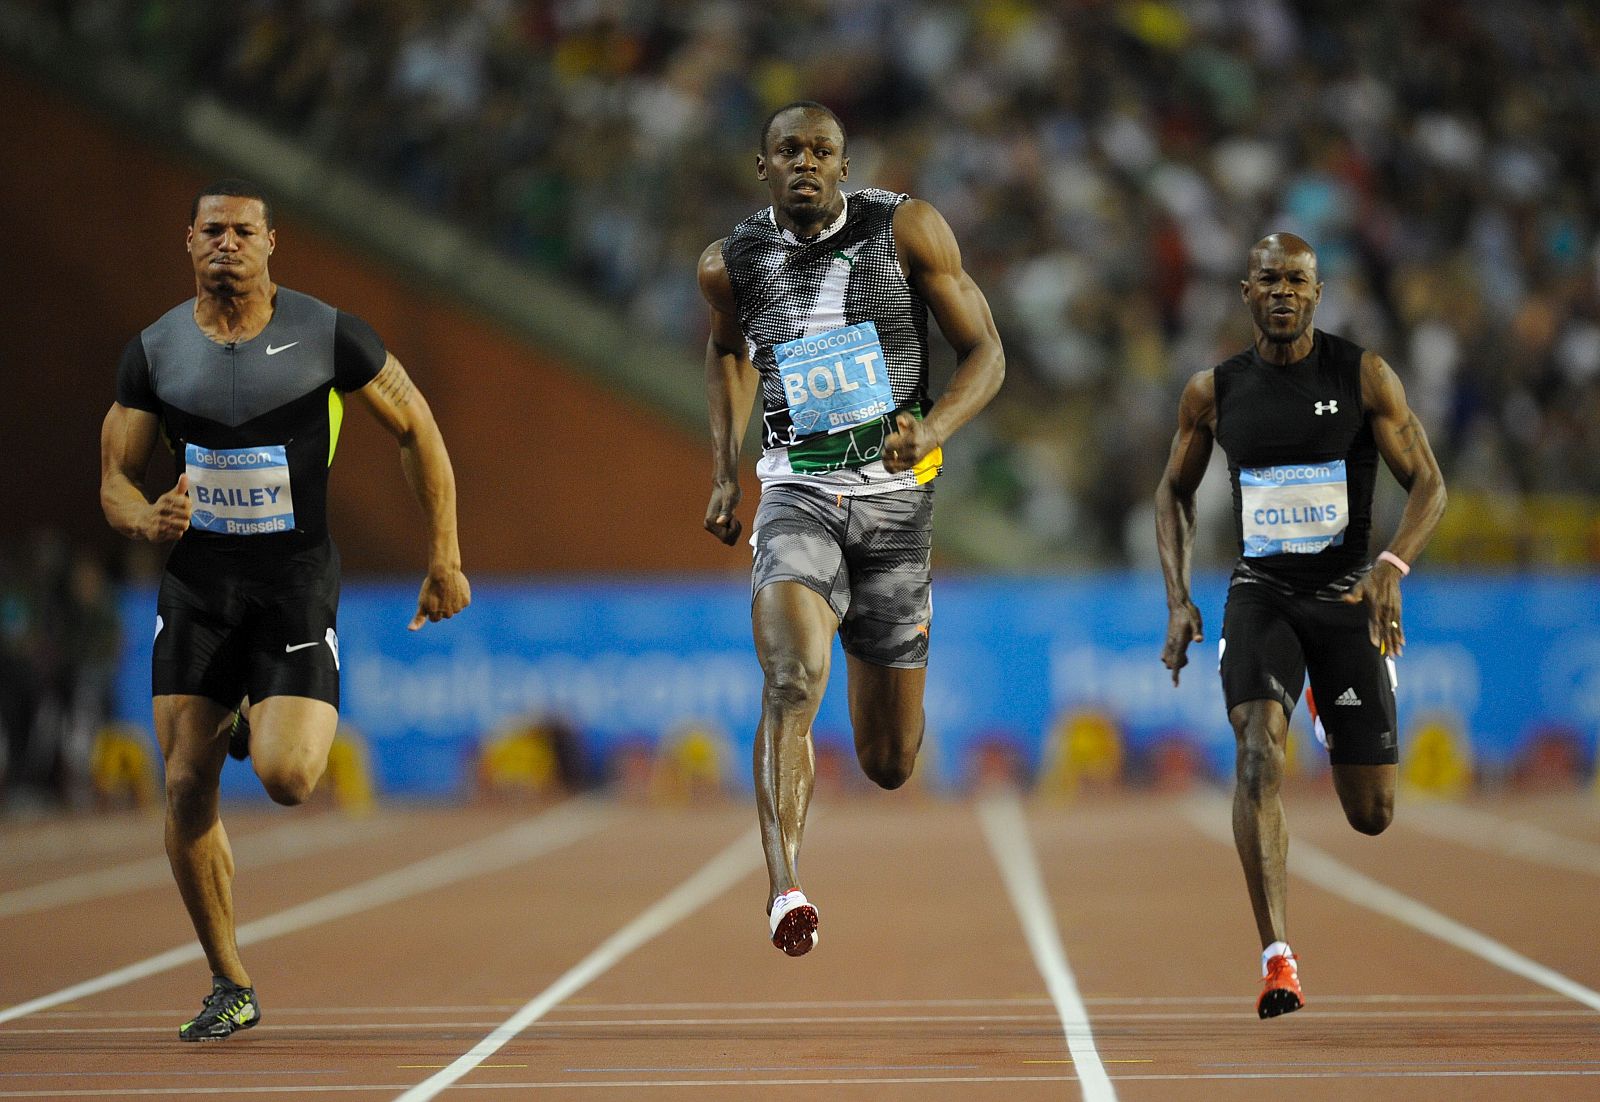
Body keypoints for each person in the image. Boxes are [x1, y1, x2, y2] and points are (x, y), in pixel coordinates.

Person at [99, 180, 470, 1040]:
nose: (227, 243)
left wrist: (444, 555)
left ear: (273, 244)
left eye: (243, 231)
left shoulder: (329, 334)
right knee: (186, 783)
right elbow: (114, 475)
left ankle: (247, 714)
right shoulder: (153, 351)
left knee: (290, 779)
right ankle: (230, 981)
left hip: (294, 583)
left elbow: (417, 426)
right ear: (187, 241)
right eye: (211, 231)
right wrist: (142, 514)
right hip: (199, 586)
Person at [697, 102, 1004, 956]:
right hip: (798, 491)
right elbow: (727, 353)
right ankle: (784, 887)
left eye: (821, 151)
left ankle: (892, 680)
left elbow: (988, 353)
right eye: (788, 150)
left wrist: (935, 428)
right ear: (763, 167)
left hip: (898, 506)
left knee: (890, 761)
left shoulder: (907, 229)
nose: (805, 162)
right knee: (793, 678)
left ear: (844, 164)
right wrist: (726, 468)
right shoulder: (733, 263)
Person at [1155, 233, 1447, 1017]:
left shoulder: (1363, 375)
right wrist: (1180, 597)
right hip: (1263, 595)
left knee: (1372, 815)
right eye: (1268, 281)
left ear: (1317, 294)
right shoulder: (1212, 392)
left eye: (1297, 281)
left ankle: (1328, 699)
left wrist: (1392, 567)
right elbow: (1172, 493)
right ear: (1245, 293)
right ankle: (1277, 955)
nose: (1282, 292)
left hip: (1348, 598)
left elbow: (1429, 484)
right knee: (1256, 755)